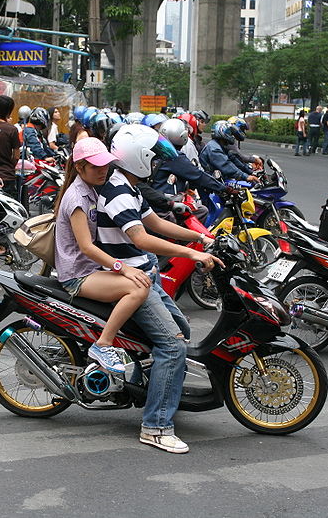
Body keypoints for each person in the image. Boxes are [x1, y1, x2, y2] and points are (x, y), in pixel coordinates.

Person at [97, 124, 223, 453]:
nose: (156, 165)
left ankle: (156, 390)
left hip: (147, 275)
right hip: (133, 279)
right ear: (139, 158)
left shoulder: (130, 186)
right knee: (173, 347)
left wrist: (200, 236)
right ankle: (155, 425)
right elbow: (140, 237)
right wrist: (192, 252)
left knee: (180, 327)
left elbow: (154, 223)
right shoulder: (118, 191)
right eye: (153, 159)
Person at [54, 137, 151, 373]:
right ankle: (103, 344)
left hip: (91, 269)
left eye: (105, 165)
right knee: (138, 287)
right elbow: (87, 247)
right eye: (96, 166)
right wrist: (123, 267)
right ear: (79, 167)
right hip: (78, 274)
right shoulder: (77, 198)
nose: (103, 171)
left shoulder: (90, 190)